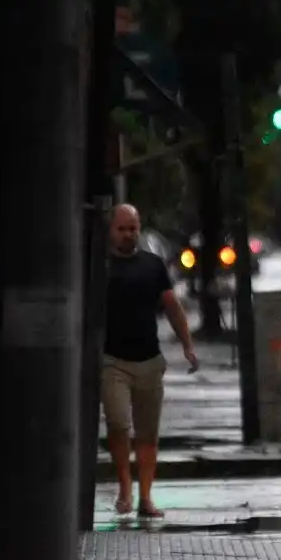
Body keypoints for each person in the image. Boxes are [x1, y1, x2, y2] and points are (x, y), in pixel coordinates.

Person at [103, 204, 199, 517]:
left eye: (133, 228)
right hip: (112, 360)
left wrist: (187, 345)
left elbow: (171, 306)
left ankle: (145, 498)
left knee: (147, 434)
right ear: (111, 230)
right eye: (122, 229)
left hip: (149, 359)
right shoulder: (100, 267)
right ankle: (124, 488)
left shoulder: (153, 265)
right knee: (118, 423)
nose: (129, 234)